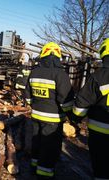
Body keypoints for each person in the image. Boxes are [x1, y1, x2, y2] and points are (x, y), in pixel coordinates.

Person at [25, 42, 74, 179]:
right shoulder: (60, 74)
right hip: (53, 119)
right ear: (58, 56)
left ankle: (34, 166)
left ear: (43, 54)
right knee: (49, 147)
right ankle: (44, 174)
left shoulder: (34, 72)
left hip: (36, 116)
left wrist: (34, 106)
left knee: (37, 142)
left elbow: (27, 96)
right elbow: (66, 101)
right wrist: (72, 116)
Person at [72, 38, 109, 179]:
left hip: (101, 133)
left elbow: (82, 102)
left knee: (101, 166)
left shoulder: (99, 77)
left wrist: (75, 118)